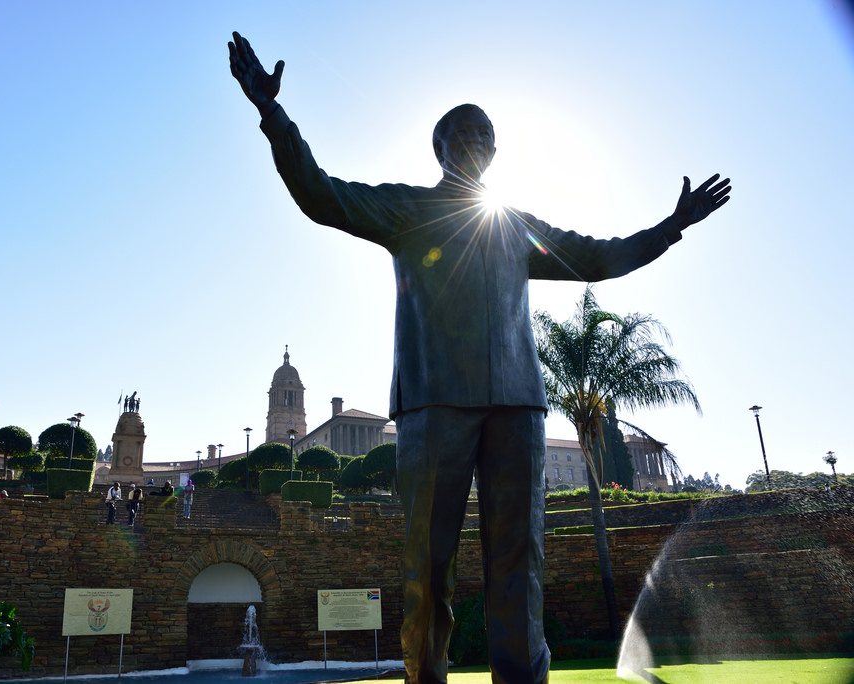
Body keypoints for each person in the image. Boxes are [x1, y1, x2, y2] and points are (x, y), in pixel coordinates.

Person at [228, 32, 730, 684]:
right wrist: (273, 114)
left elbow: (600, 258)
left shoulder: (514, 227)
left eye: (483, 138)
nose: (474, 145)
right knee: (426, 570)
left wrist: (670, 226)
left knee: (519, 569)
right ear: (439, 148)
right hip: (434, 403)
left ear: (494, 153)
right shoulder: (406, 209)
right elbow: (320, 194)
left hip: (518, 404)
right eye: (461, 136)